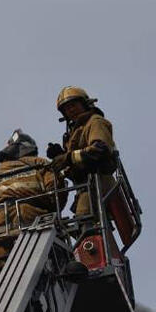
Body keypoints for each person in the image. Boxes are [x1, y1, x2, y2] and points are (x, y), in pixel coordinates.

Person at [0, 129, 65, 257]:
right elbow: (55, 190)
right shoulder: (39, 163)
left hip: (0, 223)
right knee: (45, 259)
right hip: (33, 219)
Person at [47, 87, 117, 220]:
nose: (70, 110)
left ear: (85, 104)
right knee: (86, 227)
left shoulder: (95, 122)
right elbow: (76, 163)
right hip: (86, 187)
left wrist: (67, 158)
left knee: (85, 224)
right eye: (66, 109)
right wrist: (59, 155)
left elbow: (100, 150)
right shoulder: (76, 131)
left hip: (99, 182)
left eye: (73, 105)